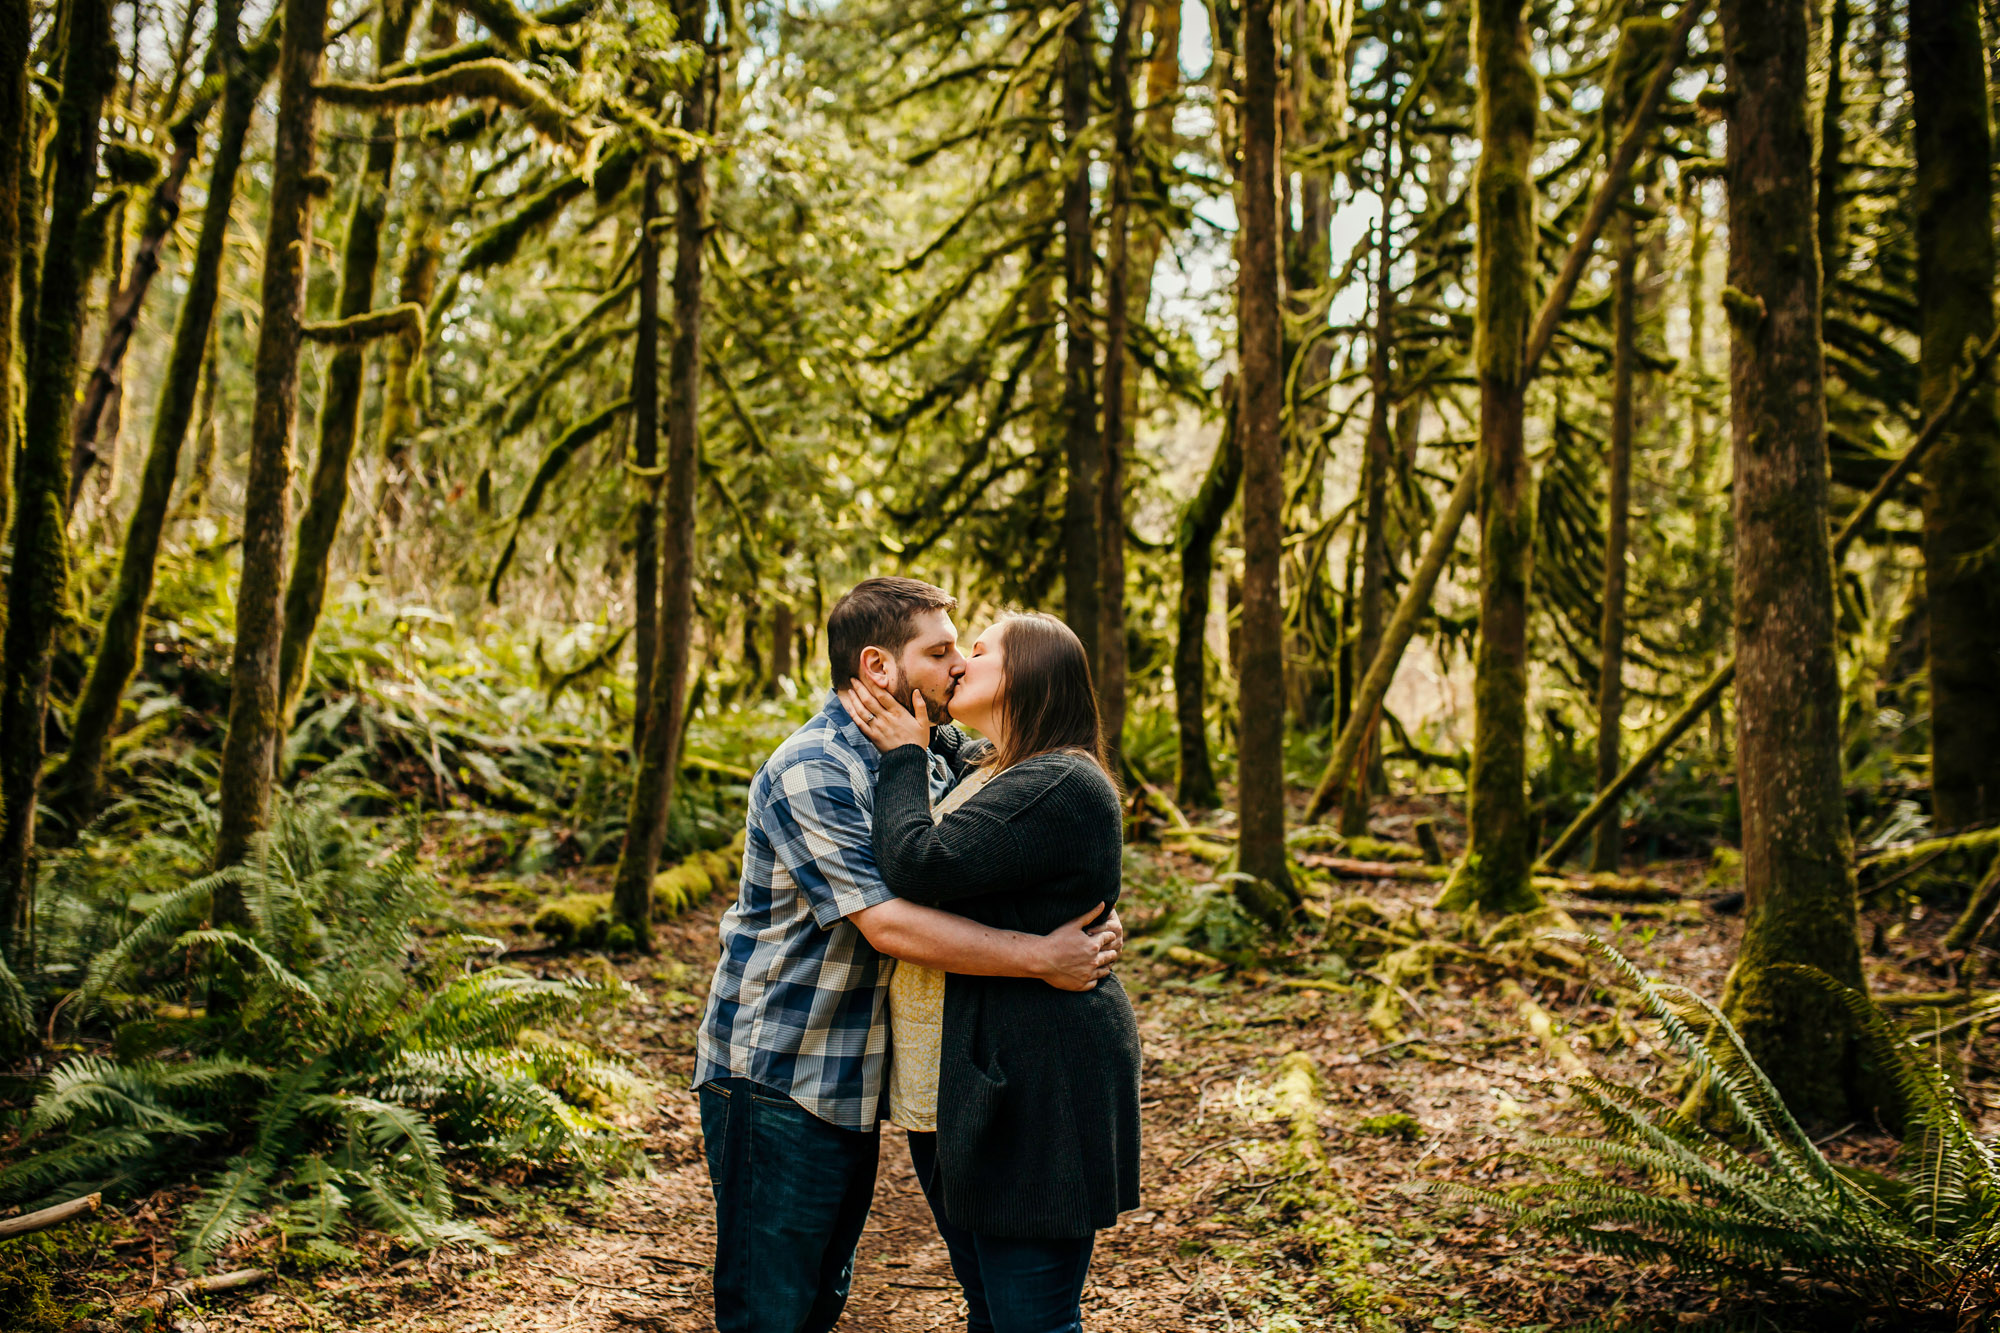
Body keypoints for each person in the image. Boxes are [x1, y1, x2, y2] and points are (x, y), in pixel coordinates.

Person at [693, 578, 1124, 1333]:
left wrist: (1088, 932)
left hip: (855, 1078)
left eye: (969, 649)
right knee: (772, 1308)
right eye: (942, 649)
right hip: (779, 1074)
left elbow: (1026, 832)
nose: (958, 663)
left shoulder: (927, 755)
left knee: (819, 1299)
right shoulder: (815, 767)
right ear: (878, 668)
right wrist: (1043, 956)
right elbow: (889, 923)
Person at [839, 611, 1142, 1333]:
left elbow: (918, 861)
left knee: (1030, 1319)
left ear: (1027, 677)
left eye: (976, 652)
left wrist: (903, 757)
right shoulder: (1002, 764)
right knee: (993, 1310)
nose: (958, 666)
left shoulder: (1060, 780)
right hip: (977, 1086)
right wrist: (919, 723)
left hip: (1039, 1091)